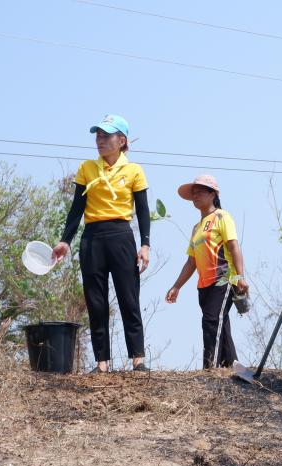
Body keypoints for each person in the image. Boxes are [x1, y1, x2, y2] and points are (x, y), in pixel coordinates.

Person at [52, 114, 150, 373]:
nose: (100, 140)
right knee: (96, 301)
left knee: (129, 297)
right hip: (92, 237)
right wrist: (65, 241)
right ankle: (102, 363)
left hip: (121, 235)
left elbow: (143, 211)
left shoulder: (134, 170)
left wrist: (145, 245)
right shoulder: (87, 168)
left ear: (122, 140)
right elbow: (76, 209)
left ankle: (138, 359)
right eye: (98, 135)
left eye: (106, 135)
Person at [165, 174, 249, 369]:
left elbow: (234, 247)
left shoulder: (222, 217)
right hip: (204, 285)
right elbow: (191, 262)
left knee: (211, 322)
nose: (195, 195)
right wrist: (176, 286)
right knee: (220, 323)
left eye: (200, 191)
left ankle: (210, 368)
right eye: (193, 193)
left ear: (213, 194)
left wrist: (240, 277)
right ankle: (233, 367)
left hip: (223, 279)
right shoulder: (196, 228)